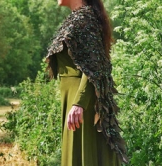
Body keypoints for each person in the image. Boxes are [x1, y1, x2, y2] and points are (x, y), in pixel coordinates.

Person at [45, 0, 128, 165]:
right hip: (73, 99)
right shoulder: (78, 18)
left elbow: (95, 66)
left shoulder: (85, 19)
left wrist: (79, 103)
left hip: (82, 102)